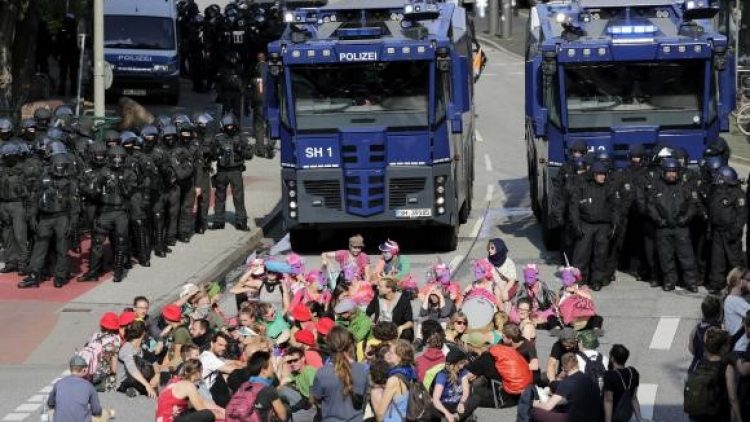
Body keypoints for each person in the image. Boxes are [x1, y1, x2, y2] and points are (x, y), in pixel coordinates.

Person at [79, 146, 136, 283]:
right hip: (105, 210)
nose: (117, 160)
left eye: (120, 158)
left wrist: (121, 183)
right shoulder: (103, 172)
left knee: (120, 242)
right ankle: (93, 272)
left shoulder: (129, 173)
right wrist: (99, 186)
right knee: (97, 242)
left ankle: (118, 271)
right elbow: (93, 191)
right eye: (114, 157)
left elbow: (130, 192)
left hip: (121, 211)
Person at [646, 157, 699, 292]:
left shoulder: (685, 186)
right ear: (663, 172)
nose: (672, 174)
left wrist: (686, 218)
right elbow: (650, 206)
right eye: (669, 171)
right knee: (665, 257)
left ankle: (691, 282)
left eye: (674, 171)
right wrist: (658, 220)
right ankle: (669, 281)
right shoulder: (656, 186)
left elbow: (693, 205)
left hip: (681, 227)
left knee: (686, 256)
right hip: (663, 228)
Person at [569, 161, 619, 291]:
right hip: (586, 224)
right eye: (600, 174)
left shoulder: (609, 187)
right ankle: (580, 280)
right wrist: (576, 225)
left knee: (600, 254)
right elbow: (574, 207)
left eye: (604, 174)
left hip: (603, 226)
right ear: (593, 175)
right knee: (581, 255)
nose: (603, 177)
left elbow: (615, 208)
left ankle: (597, 280)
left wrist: (614, 225)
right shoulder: (583, 187)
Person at [311, 326, 370, 422]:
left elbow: (315, 400)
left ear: (329, 346)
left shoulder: (322, 373)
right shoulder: (363, 369)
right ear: (350, 344)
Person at [210, 114, 253, 231]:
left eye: (231, 126)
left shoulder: (241, 137)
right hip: (222, 171)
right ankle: (218, 221)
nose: (229, 128)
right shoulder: (218, 138)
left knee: (238, 197)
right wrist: (215, 151)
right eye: (227, 126)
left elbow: (250, 155)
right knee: (219, 197)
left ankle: (241, 221)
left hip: (235, 171)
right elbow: (211, 155)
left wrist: (241, 150)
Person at [706, 167, 746, 294]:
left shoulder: (738, 194)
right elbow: (712, 212)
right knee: (717, 260)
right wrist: (710, 229)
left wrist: (734, 232)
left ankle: (739, 285)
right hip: (717, 232)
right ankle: (716, 284)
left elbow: (741, 216)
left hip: (730, 233)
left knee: (734, 261)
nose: (718, 180)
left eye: (720, 177)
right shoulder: (716, 192)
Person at [532, 352, 604, 422]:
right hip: (594, 417)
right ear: (577, 364)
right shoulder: (589, 379)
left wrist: (534, 403)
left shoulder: (567, 382)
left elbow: (548, 407)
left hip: (576, 419)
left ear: (563, 368)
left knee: (536, 412)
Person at [155, 359, 224, 422]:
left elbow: (203, 402)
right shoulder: (188, 386)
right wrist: (222, 415)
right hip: (169, 420)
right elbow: (202, 409)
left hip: (165, 419)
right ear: (198, 373)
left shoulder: (174, 381)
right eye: (201, 372)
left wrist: (224, 411)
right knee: (209, 414)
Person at [47, 355, 109, 422]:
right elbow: (96, 411)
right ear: (84, 370)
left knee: (51, 412)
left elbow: (50, 404)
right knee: (104, 414)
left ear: (70, 369)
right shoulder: (89, 386)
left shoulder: (59, 383)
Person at [374, 340, 418, 422]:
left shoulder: (394, 379)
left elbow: (380, 412)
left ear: (400, 356)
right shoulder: (410, 370)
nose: (388, 354)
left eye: (391, 353)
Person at [199, 332, 245, 406]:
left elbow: (233, 362)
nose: (223, 348)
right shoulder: (208, 357)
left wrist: (246, 364)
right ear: (212, 343)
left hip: (211, 392)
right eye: (220, 345)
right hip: (205, 396)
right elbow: (232, 370)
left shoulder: (216, 357)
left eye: (225, 345)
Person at [117, 321, 158, 398]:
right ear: (143, 333)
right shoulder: (127, 348)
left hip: (138, 379)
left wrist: (157, 375)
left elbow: (154, 360)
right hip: (124, 382)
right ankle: (135, 390)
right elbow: (132, 369)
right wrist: (147, 385)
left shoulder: (143, 346)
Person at [603, 344, 643, 422]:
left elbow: (608, 400)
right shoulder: (633, 372)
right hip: (626, 414)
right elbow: (634, 397)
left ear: (612, 358)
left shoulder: (610, 375)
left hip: (615, 415)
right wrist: (639, 418)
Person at [367, 276, 414, 341]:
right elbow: (368, 312)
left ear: (389, 289)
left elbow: (410, 321)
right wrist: (371, 322)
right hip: (380, 328)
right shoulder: (378, 297)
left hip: (394, 329)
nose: (378, 288)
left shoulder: (403, 300)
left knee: (407, 333)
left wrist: (401, 328)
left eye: (380, 286)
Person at [432, 348, 471, 422]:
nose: (463, 366)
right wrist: (447, 413)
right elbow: (436, 399)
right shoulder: (442, 375)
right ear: (454, 364)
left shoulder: (462, 372)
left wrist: (462, 403)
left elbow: (466, 391)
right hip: (445, 404)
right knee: (431, 408)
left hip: (458, 404)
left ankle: (457, 417)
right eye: (461, 363)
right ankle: (452, 417)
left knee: (476, 397)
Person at [278, 346, 318, 418]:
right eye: (289, 362)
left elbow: (313, 390)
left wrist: (309, 404)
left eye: (295, 360)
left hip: (316, 403)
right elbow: (281, 383)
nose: (292, 363)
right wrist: (281, 364)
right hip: (307, 401)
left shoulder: (309, 371)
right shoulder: (295, 373)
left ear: (303, 359)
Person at [688, 295, 723, 373]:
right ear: (718, 313)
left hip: (695, 370)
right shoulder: (719, 330)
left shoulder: (696, 329)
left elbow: (691, 349)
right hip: (712, 371)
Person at [724, 267, 750, 338]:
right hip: (740, 346)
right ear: (740, 280)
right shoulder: (735, 300)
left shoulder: (731, 298)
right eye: (748, 280)